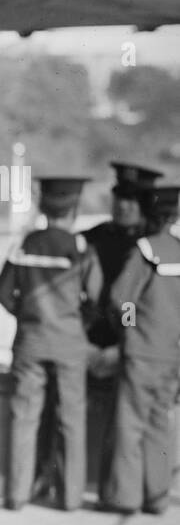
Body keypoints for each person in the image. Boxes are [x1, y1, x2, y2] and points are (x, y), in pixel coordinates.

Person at [0, 177, 102, 511]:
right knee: (71, 418)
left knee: (24, 416)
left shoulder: (24, 244)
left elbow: (1, 292)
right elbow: (97, 297)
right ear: (73, 209)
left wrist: (25, 314)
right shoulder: (81, 248)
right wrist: (77, 321)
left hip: (30, 341)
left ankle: (16, 495)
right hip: (69, 343)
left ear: (42, 207)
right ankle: (69, 499)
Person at [80, 161, 163, 492]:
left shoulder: (154, 244)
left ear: (144, 205)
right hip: (93, 340)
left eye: (132, 200)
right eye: (119, 199)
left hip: (134, 344)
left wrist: (123, 345)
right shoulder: (95, 237)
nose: (122, 206)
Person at [99, 184, 180, 515]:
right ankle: (158, 496)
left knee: (129, 425)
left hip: (141, 353)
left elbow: (121, 298)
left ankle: (125, 498)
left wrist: (128, 327)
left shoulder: (145, 250)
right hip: (172, 355)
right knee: (162, 423)